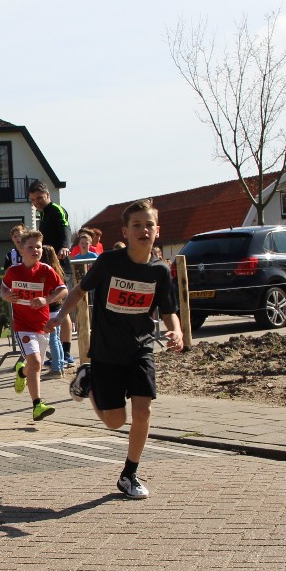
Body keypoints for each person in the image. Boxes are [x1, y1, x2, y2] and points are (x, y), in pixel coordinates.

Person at [48, 199, 184, 500]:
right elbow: (80, 290)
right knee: (115, 422)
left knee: (143, 410)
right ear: (126, 231)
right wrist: (60, 316)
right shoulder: (109, 262)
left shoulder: (160, 271)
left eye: (149, 225)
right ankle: (88, 380)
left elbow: (168, 311)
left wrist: (176, 330)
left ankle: (129, 475)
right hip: (107, 351)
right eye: (137, 225)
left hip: (140, 349)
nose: (143, 230)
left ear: (157, 230)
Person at [2, 230, 66, 422]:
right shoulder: (14, 271)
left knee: (33, 366)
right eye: (30, 247)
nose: (35, 250)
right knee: (36, 363)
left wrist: (46, 299)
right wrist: (6, 295)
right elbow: (4, 287)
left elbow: (63, 290)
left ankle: (21, 372)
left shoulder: (46, 270)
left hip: (42, 326)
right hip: (23, 326)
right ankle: (37, 405)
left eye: (38, 247)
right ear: (21, 250)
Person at [28, 179, 75, 366]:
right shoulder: (43, 214)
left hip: (61, 266)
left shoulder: (56, 210)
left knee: (62, 309)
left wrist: (65, 246)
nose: (37, 202)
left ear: (48, 195)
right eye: (33, 200)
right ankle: (57, 353)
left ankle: (66, 352)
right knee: (53, 310)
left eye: (39, 198)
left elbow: (65, 227)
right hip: (49, 267)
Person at [40, 245, 68, 375]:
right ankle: (60, 365)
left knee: (52, 340)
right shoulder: (58, 271)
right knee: (56, 339)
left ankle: (56, 368)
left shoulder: (46, 273)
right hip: (57, 309)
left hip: (49, 310)